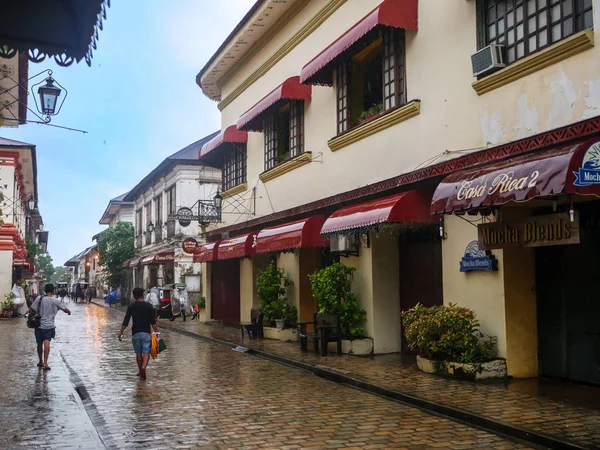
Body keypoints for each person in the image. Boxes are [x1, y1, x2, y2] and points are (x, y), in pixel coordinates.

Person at [118, 288, 159, 380]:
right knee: (146, 352)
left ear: (134, 296)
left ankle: (140, 370)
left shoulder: (132, 306)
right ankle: (144, 367)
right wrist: (156, 332)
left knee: (138, 353)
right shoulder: (149, 306)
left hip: (135, 333)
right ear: (142, 295)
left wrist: (121, 332)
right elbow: (153, 322)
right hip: (146, 333)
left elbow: (126, 321)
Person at [30, 284, 72, 370]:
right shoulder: (56, 300)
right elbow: (65, 310)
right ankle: (45, 363)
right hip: (49, 326)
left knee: (39, 344)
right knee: (47, 343)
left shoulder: (39, 298)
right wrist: (68, 312)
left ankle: (40, 361)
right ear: (53, 291)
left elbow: (31, 309)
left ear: (45, 290)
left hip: (38, 325)